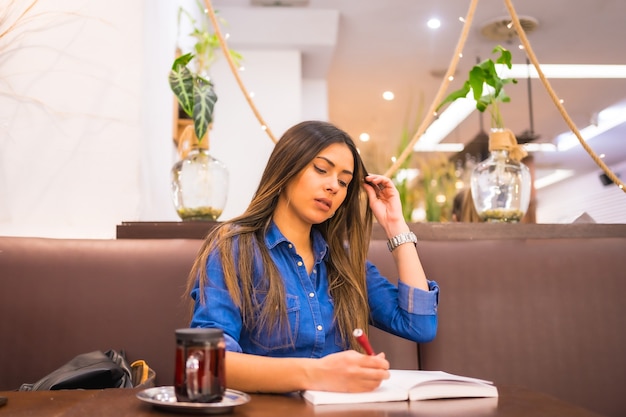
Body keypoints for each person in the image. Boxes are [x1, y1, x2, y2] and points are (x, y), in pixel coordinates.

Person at [185, 120, 439, 394]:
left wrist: (395, 225)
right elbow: (207, 362)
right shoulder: (235, 247)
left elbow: (419, 325)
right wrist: (317, 373)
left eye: (344, 182)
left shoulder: (343, 262)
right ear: (286, 168)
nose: (334, 186)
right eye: (321, 170)